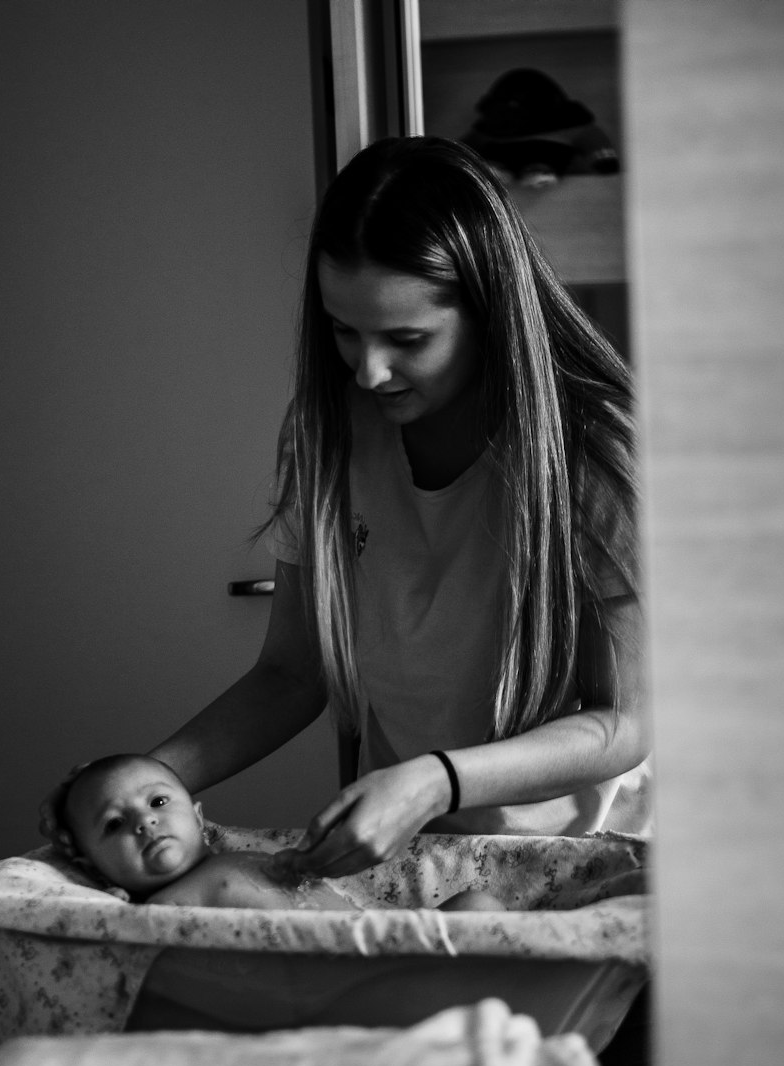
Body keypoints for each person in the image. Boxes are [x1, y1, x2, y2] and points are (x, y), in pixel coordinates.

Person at [150, 135, 650, 881]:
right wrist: (144, 782)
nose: (371, 369)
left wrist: (436, 780)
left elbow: (628, 720)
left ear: (490, 313)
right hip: (417, 861)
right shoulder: (325, 430)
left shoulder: (601, 451)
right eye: (345, 331)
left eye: (406, 338)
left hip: (588, 865)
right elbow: (293, 672)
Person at [39, 753, 504, 911]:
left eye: (159, 801)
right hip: (352, 972)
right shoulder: (160, 909)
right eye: (114, 825)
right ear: (92, 866)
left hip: (384, 934)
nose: (144, 821)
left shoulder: (237, 857)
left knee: (478, 904)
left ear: (199, 819)